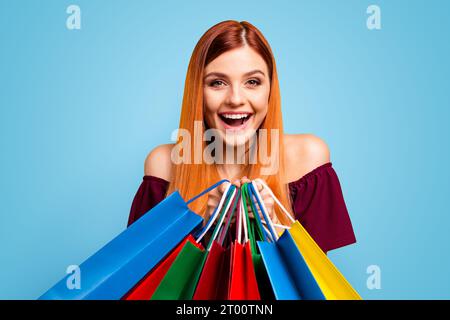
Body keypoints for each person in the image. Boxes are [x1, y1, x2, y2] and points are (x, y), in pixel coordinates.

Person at [128, 20, 356, 254]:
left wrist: (272, 227)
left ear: (270, 89)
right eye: (217, 83)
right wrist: (203, 226)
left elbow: (314, 285)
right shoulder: (163, 165)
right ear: (198, 91)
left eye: (252, 82)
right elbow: (147, 281)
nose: (235, 99)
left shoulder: (308, 158)